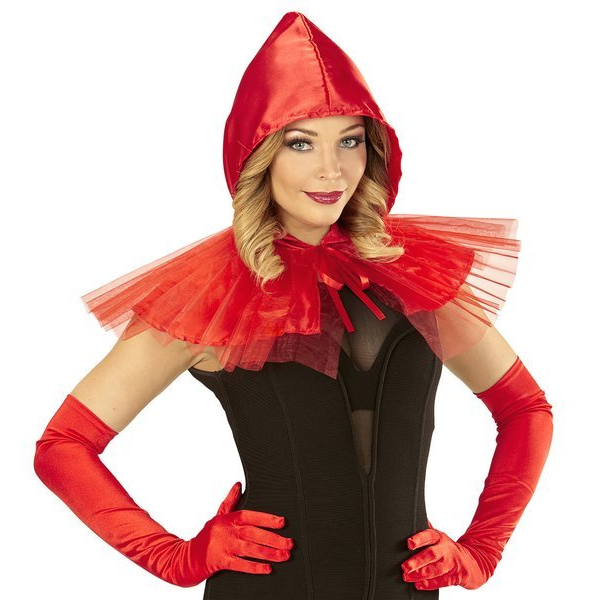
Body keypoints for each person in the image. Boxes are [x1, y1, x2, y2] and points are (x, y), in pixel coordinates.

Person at [33, 11, 553, 599]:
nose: (332, 170)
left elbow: (526, 410)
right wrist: (174, 557)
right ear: (258, 155)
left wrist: (483, 549)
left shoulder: (412, 275)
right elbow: (63, 447)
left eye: (350, 140)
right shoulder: (215, 295)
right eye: (300, 143)